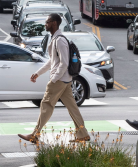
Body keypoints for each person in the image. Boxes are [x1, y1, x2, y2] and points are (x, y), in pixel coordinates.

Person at [18, 14, 90, 143]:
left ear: (54, 23)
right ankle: (82, 134)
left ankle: (34, 135)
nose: (45, 24)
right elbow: (52, 61)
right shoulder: (55, 39)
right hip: (65, 80)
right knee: (72, 107)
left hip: (60, 80)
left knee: (46, 105)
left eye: (47, 22)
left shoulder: (60, 40)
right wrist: (38, 73)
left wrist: (54, 79)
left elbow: (64, 63)